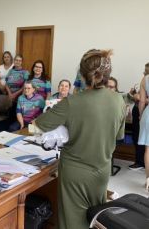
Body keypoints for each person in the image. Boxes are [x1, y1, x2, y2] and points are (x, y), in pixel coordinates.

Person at [32, 49, 126, 228]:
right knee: (93, 216)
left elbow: (38, 125)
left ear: (81, 74)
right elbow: (119, 136)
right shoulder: (119, 100)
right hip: (102, 170)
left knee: (72, 221)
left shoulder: (72, 102)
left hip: (76, 173)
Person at [129, 64, 149, 170]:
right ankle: (139, 161)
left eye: (146, 70)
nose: (144, 72)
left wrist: (139, 97)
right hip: (139, 111)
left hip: (145, 113)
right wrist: (134, 95)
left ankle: (142, 163)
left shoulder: (145, 80)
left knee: (143, 141)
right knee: (137, 137)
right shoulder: (144, 80)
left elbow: (142, 99)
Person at [137, 66, 149, 191]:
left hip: (148, 115)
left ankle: (148, 180)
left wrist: (141, 114)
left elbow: (141, 101)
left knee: (148, 149)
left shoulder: (145, 79)